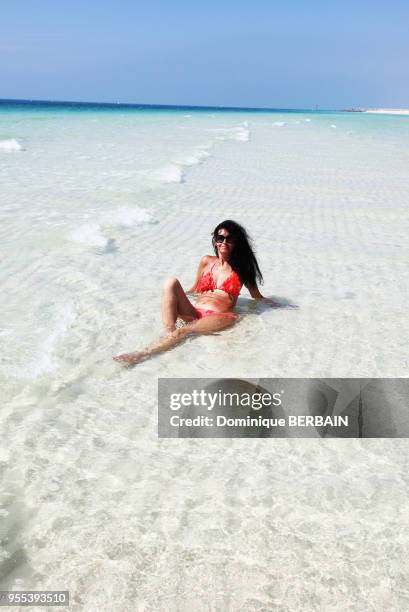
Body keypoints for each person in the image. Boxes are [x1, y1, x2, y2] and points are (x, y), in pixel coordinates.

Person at [113, 220, 278, 365]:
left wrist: (277, 305)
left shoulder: (243, 268)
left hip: (220, 316)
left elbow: (257, 297)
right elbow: (194, 290)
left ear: (236, 242)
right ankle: (169, 336)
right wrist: (174, 297)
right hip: (195, 312)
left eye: (229, 239)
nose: (224, 242)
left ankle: (142, 354)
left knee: (184, 330)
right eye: (220, 238)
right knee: (171, 283)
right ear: (215, 241)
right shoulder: (207, 261)